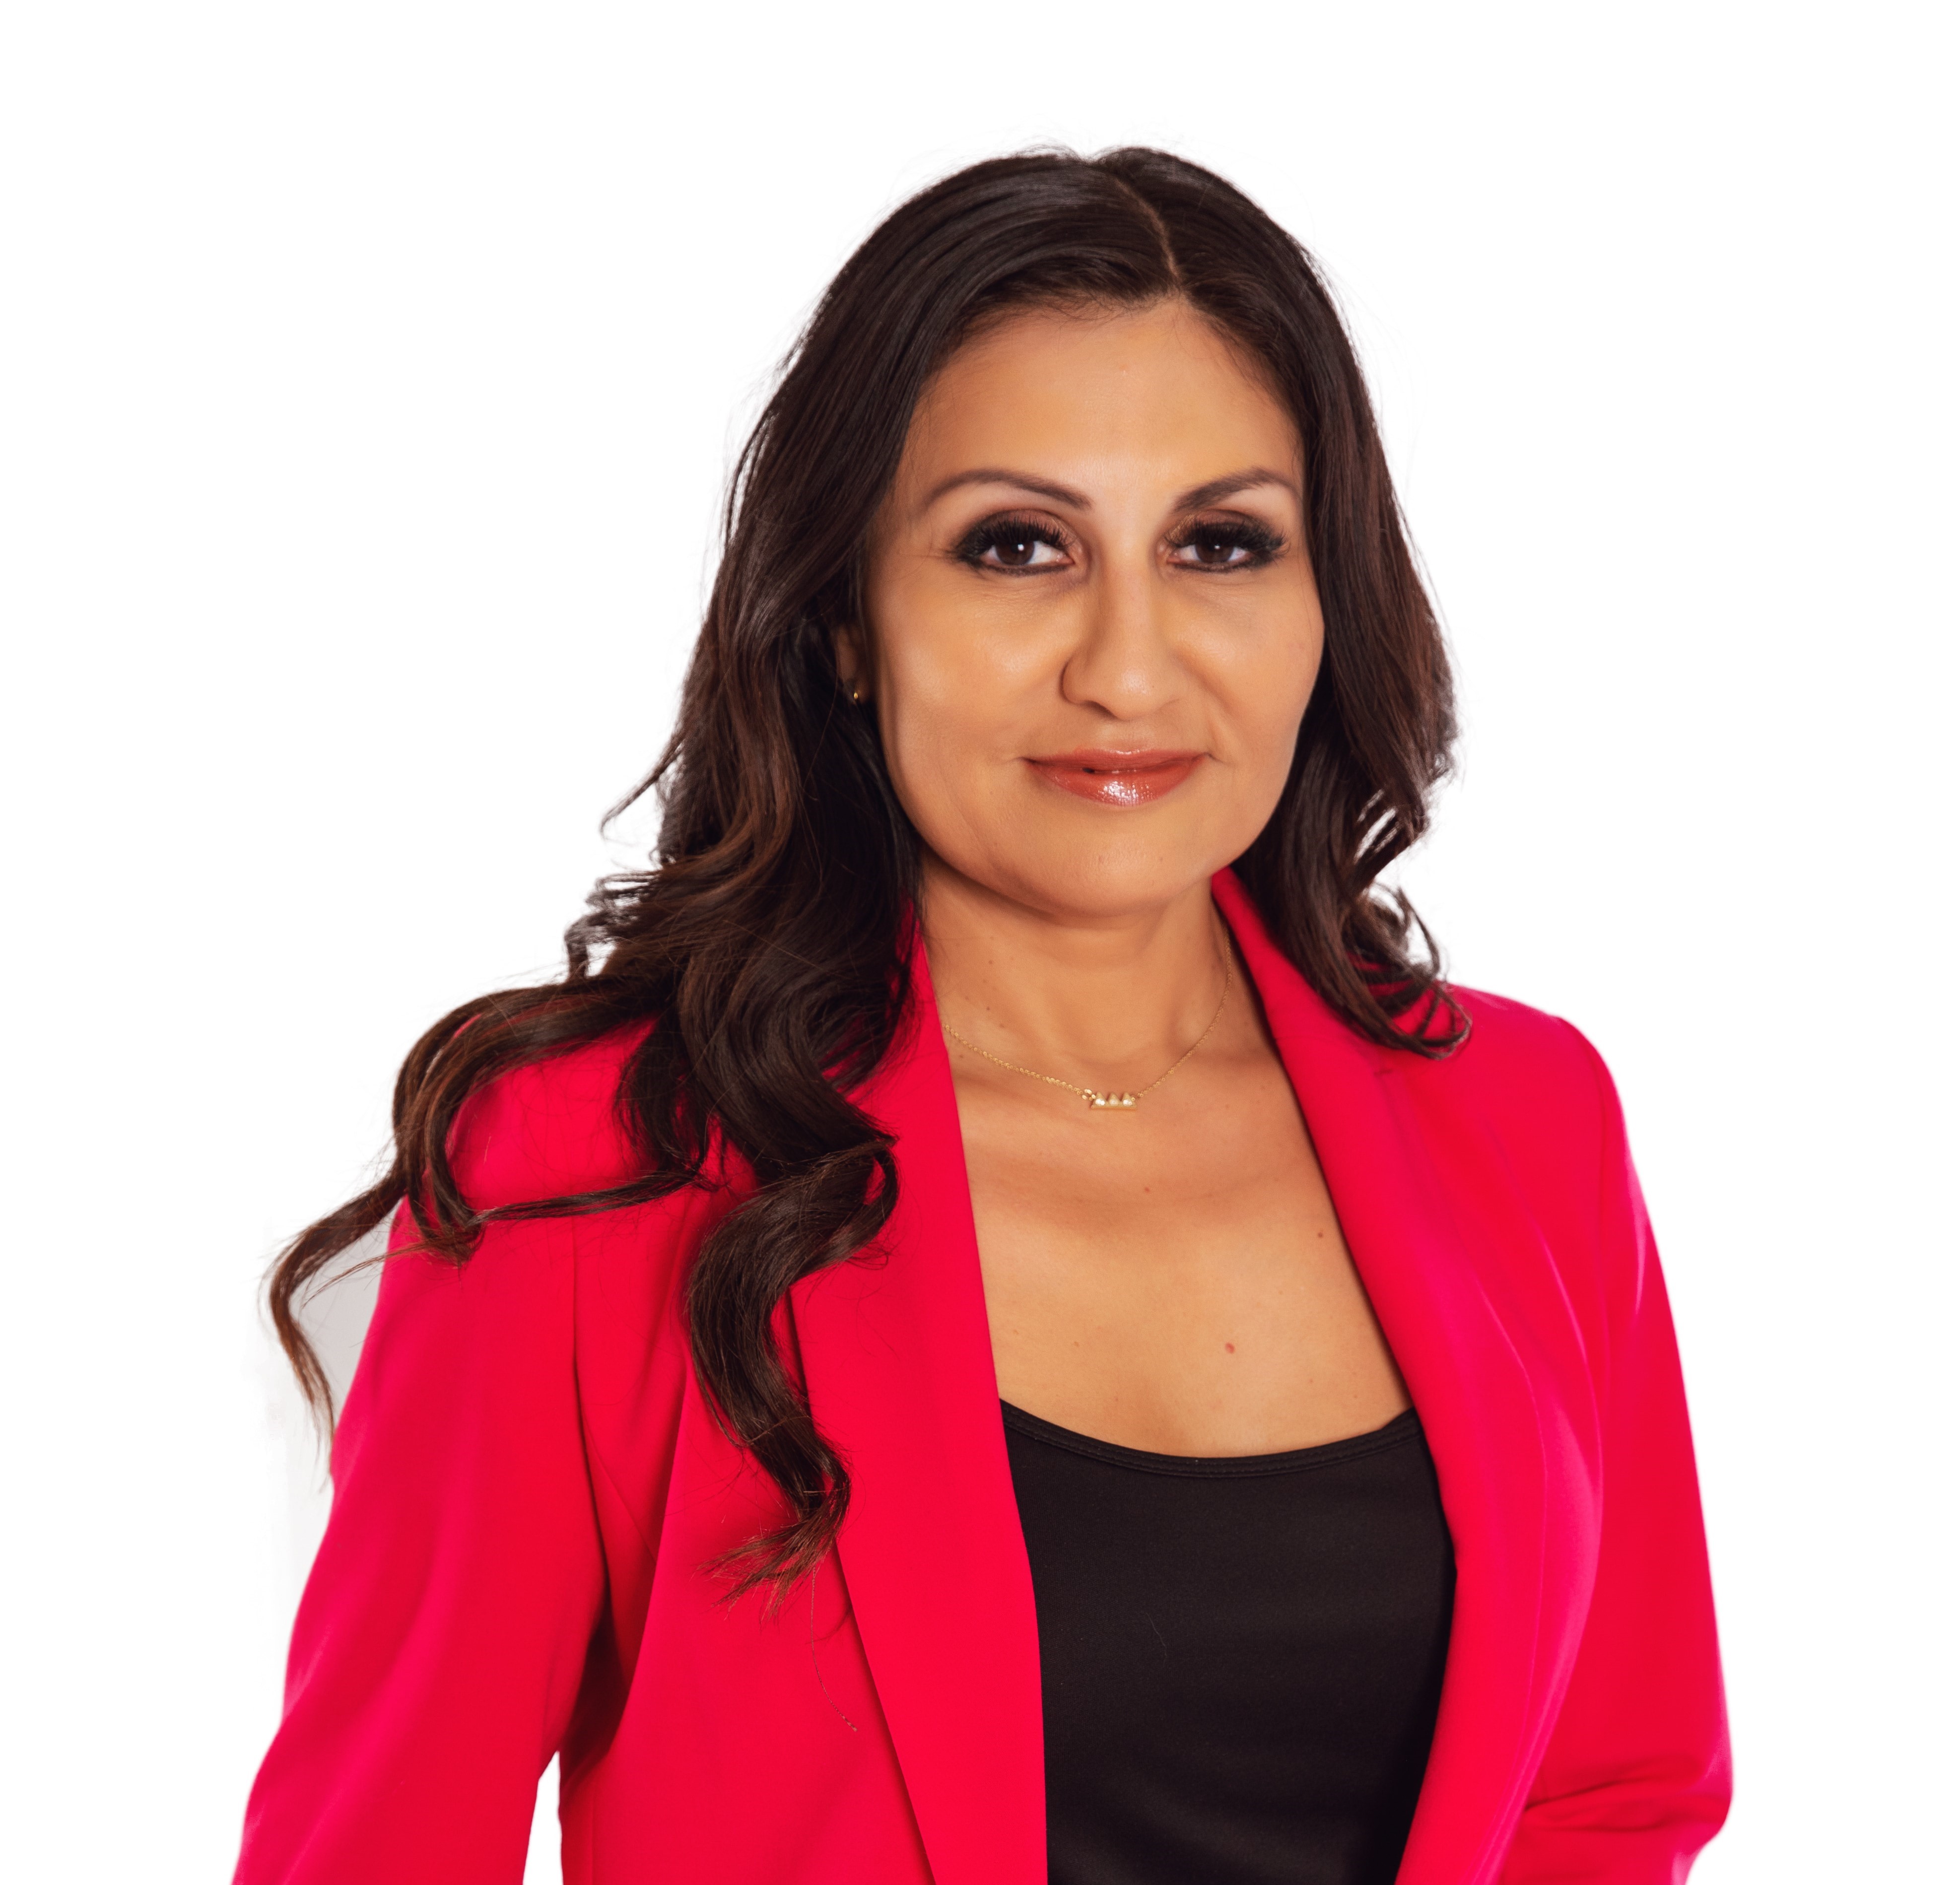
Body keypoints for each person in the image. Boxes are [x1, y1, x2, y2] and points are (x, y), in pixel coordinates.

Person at [237, 148, 1729, 1885]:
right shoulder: (594, 1164)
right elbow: (382, 1848)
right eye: (1015, 546)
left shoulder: (1527, 1117)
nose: (1128, 665)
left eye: (1220, 543)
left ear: (1328, 600)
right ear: (849, 620)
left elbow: (1608, 1791)